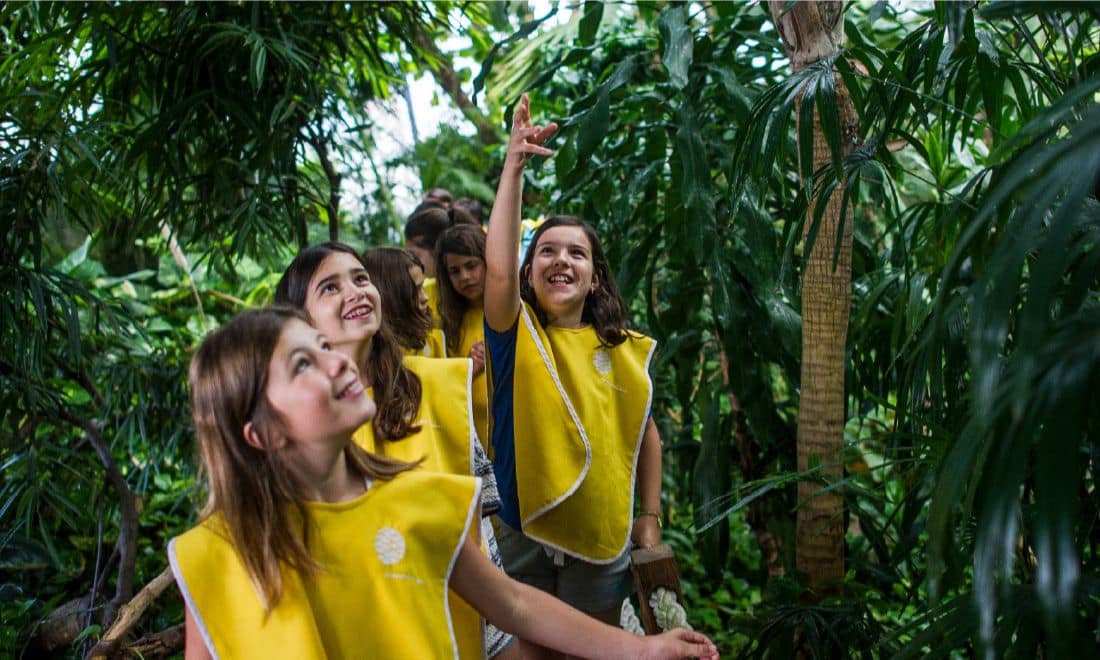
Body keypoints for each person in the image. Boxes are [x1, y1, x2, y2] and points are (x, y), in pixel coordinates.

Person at [170, 307, 718, 659]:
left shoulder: (422, 500)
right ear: (259, 433)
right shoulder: (214, 556)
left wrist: (643, 651)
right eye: (302, 365)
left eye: (323, 347)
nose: (335, 363)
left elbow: (514, 605)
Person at [274, 242, 517, 657]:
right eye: (329, 287)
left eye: (360, 278)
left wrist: (498, 637)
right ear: (299, 319)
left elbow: (480, 539)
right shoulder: (292, 426)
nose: (354, 291)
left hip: (461, 616)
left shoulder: (441, 387)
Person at [483, 94, 666, 643]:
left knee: (599, 647)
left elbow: (646, 434)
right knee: (535, 648)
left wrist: (649, 516)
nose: (561, 260)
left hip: (602, 533)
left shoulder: (626, 349)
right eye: (546, 251)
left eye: (576, 254)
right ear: (527, 271)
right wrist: (513, 165)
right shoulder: (515, 337)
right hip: (522, 529)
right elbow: (496, 266)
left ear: (594, 278)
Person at [435, 224, 490, 447]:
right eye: (455, 271)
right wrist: (466, 367)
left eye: (471, 266)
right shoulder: (448, 324)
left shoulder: (517, 310)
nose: (465, 277)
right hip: (473, 441)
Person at [361, 247, 446, 358]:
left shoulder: (433, 340)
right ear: (388, 296)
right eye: (413, 291)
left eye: (422, 287)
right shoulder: (367, 352)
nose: (425, 297)